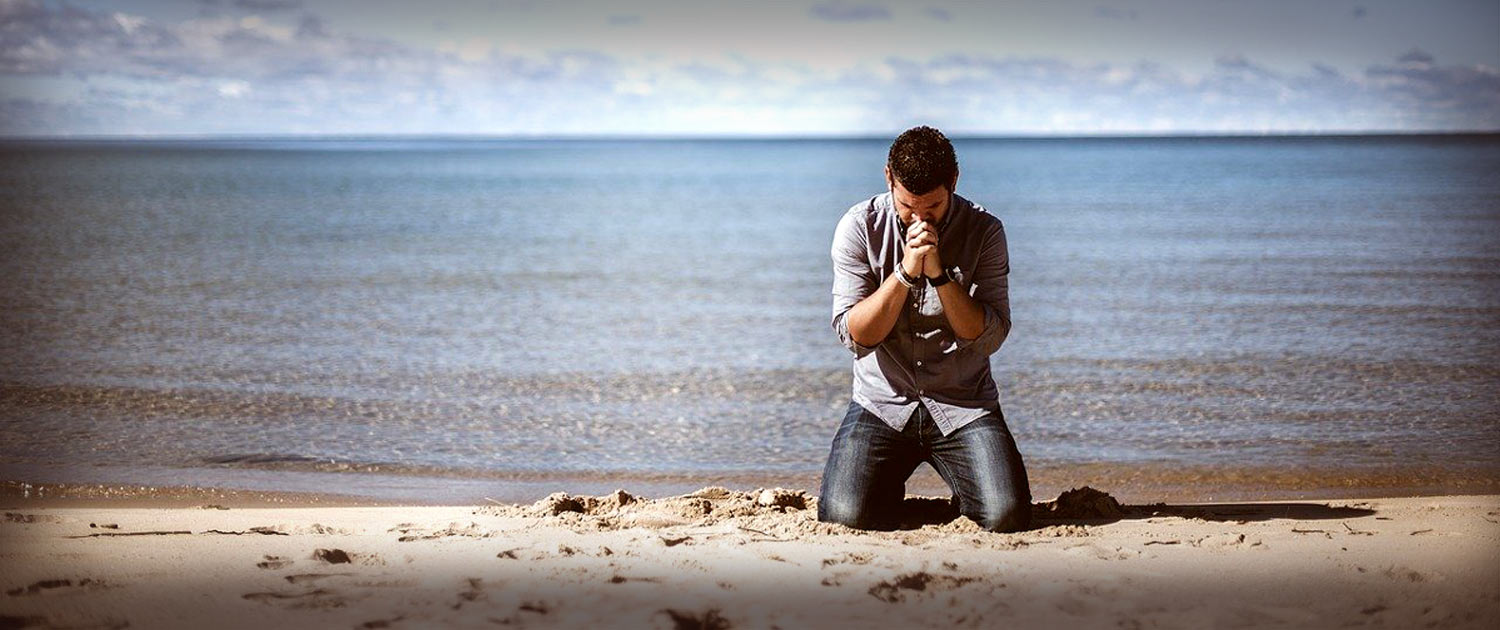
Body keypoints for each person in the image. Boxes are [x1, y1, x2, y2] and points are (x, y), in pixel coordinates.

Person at [818, 125, 1031, 533]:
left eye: (931, 207)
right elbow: (855, 335)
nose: (919, 219)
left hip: (963, 403)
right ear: (888, 179)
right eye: (907, 206)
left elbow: (988, 337)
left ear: (953, 182)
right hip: (881, 403)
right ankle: (884, 487)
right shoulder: (860, 226)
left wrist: (938, 275)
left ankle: (965, 485)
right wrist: (904, 273)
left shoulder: (985, 231)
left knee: (1007, 516)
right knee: (843, 519)